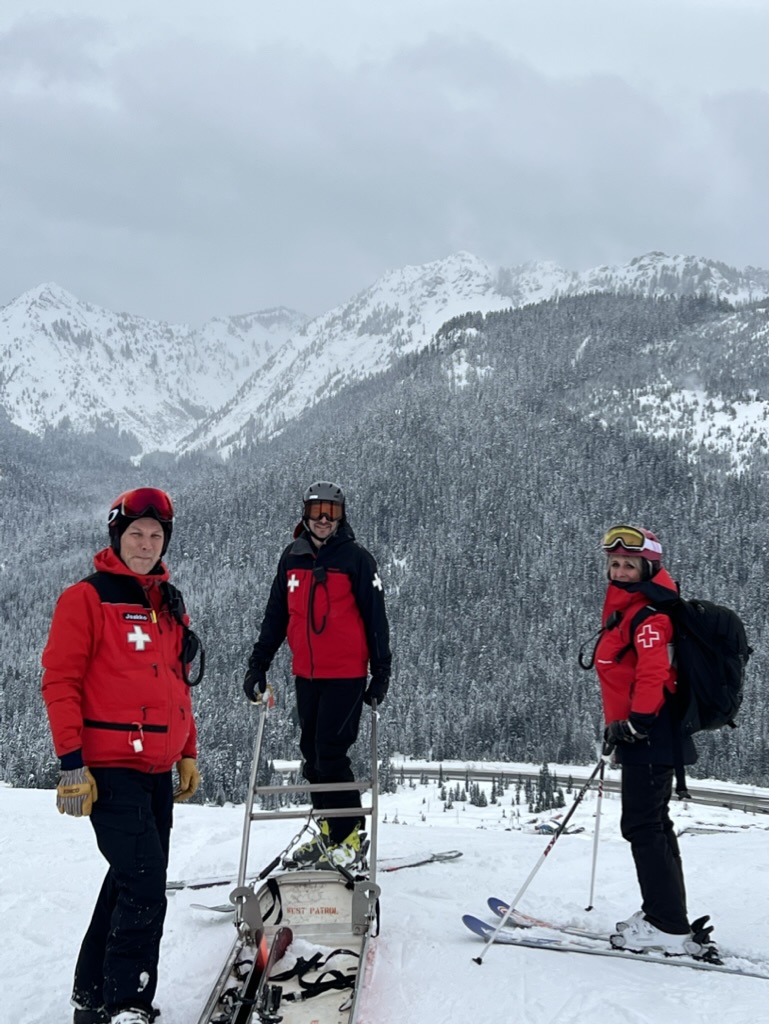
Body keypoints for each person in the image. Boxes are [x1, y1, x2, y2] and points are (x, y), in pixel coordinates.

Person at [41, 488, 201, 1024]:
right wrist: (72, 764)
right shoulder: (86, 598)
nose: (146, 544)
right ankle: (128, 1004)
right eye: (136, 534)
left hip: (157, 771)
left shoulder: (167, 603)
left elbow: (179, 686)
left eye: (156, 536)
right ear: (117, 536)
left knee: (127, 879)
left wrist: (188, 752)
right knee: (145, 884)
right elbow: (60, 681)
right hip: (110, 769)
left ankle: (91, 997)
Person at [243, 480, 391, 869]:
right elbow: (276, 616)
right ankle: (330, 833)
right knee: (311, 755)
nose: (324, 519)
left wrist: (381, 672)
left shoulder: (356, 559)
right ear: (304, 514)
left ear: (342, 517)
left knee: (330, 751)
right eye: (316, 511)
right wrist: (258, 664)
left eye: (333, 512)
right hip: (306, 674)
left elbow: (376, 619)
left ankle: (350, 838)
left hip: (345, 674)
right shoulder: (291, 558)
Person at [592, 524, 703, 955]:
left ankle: (666, 924)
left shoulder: (650, 616)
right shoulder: (634, 607)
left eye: (629, 565)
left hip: (651, 734)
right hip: (649, 733)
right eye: (614, 563)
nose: (619, 571)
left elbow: (653, 672)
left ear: (648, 566)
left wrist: (636, 722)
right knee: (653, 826)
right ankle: (666, 915)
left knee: (643, 826)